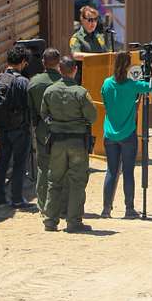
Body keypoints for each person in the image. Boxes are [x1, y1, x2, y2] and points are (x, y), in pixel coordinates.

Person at [42, 56, 97, 233]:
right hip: (77, 142)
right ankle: (73, 222)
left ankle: (50, 220)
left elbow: (44, 114)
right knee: (77, 181)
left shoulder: (50, 91)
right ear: (74, 70)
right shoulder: (81, 92)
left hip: (57, 141)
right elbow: (93, 117)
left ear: (60, 70)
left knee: (54, 180)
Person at [100, 51, 152, 219]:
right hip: (127, 134)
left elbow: (105, 100)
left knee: (111, 171)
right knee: (128, 171)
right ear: (127, 67)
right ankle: (129, 208)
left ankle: (106, 209)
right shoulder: (132, 85)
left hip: (110, 133)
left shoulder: (106, 84)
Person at [0, 45, 33, 208]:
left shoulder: (0, 79)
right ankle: (17, 198)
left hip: (2, 128)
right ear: (22, 62)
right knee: (19, 163)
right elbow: (29, 105)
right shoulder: (22, 81)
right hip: (20, 129)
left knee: (3, 161)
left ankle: (0, 198)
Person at [28, 47, 63, 213]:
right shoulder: (65, 82)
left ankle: (43, 205)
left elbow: (30, 110)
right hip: (63, 130)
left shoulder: (34, 82)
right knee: (63, 167)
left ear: (43, 62)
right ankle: (61, 205)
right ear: (59, 63)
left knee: (43, 167)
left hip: (43, 129)